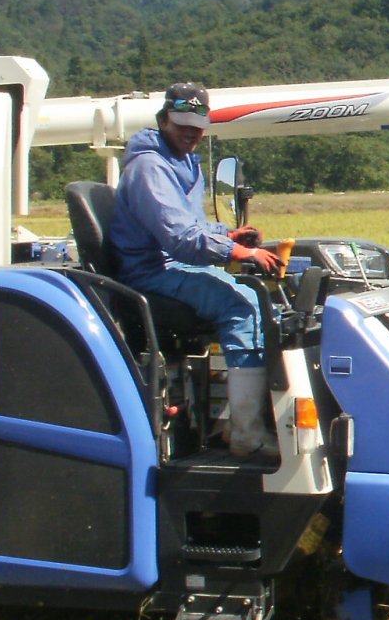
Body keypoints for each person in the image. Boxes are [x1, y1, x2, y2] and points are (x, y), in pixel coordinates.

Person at [106, 82, 284, 461]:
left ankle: (231, 423)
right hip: (150, 272)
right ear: (163, 119)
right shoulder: (149, 168)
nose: (191, 131)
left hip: (174, 262)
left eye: (198, 125)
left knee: (259, 298)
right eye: (182, 123)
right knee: (243, 305)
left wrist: (227, 234)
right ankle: (246, 435)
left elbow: (193, 226)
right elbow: (181, 240)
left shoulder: (183, 162)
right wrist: (239, 251)